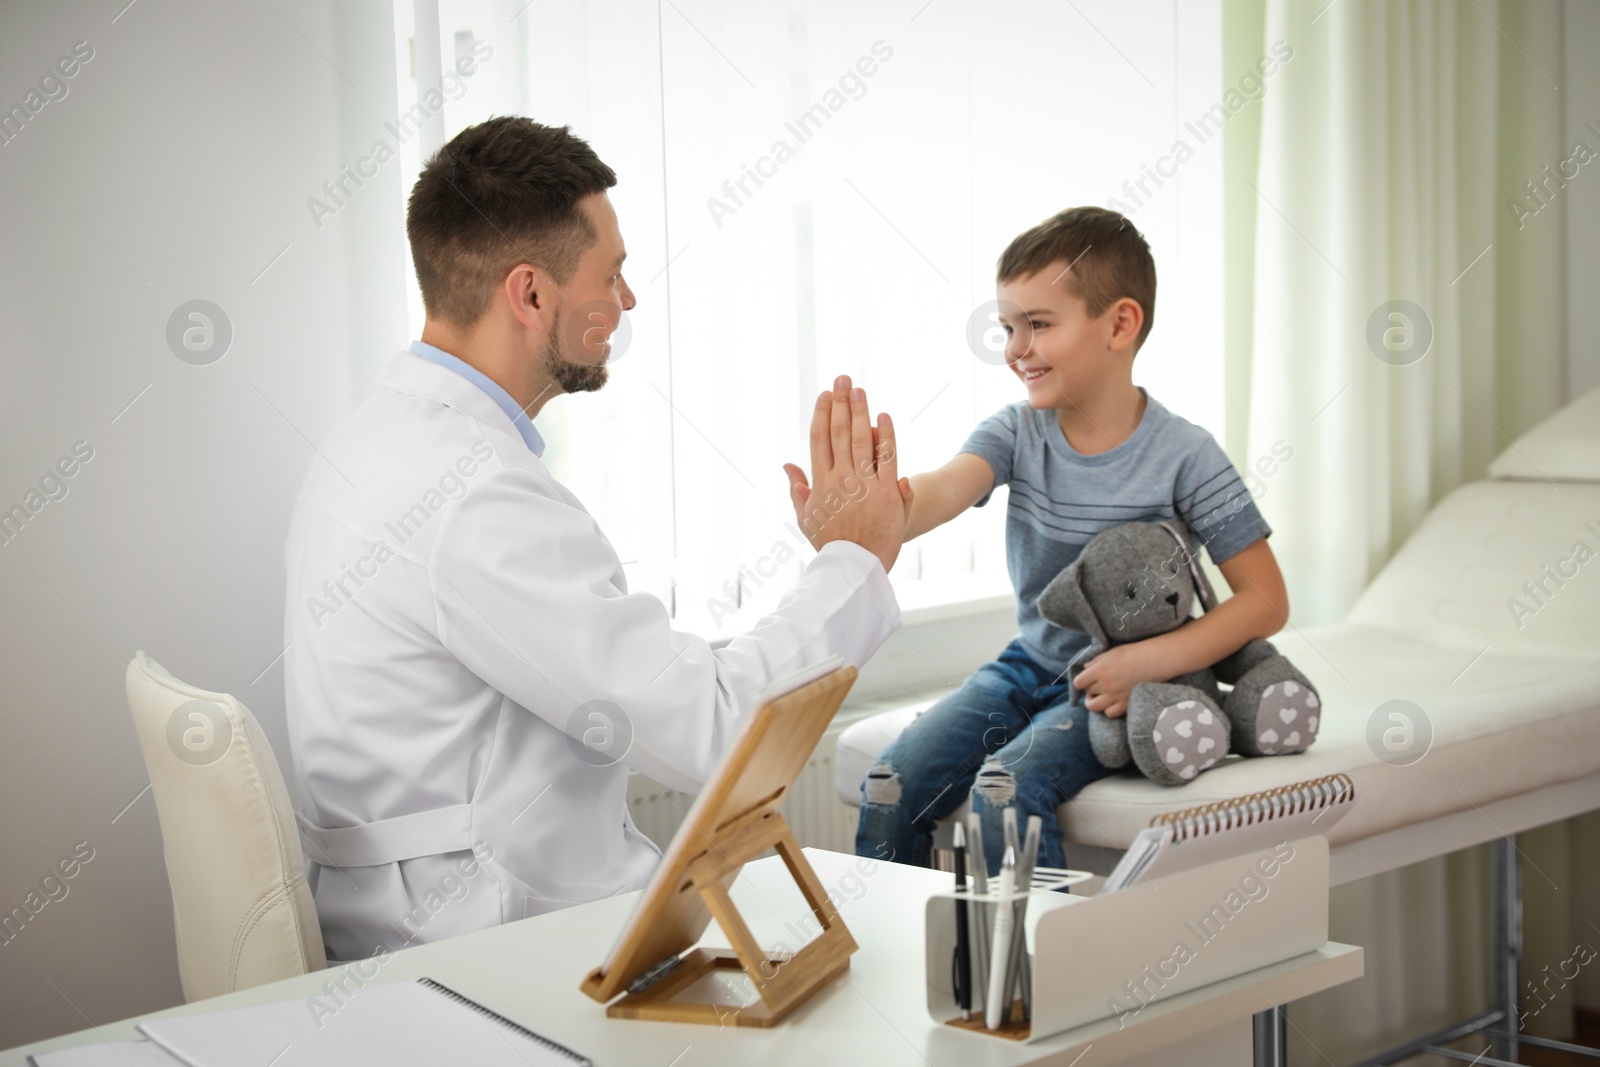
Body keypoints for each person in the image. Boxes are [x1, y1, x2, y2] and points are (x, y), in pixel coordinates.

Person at [284, 116, 912, 961]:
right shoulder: (473, 496)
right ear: (532, 293)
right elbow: (714, 732)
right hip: (486, 948)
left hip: (415, 923)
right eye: (611, 276)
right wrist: (853, 559)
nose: (627, 301)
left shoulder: (373, 440)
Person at [854, 207, 1290, 875]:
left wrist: (1147, 663)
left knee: (1002, 792)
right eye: (1008, 327)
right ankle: (901, 960)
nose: (1014, 348)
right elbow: (945, 487)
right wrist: (878, 509)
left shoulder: (1186, 456)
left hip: (1119, 690)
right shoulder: (1016, 432)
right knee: (889, 785)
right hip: (1026, 667)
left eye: (1038, 325)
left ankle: (1032, 978)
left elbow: (1265, 600)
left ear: (1119, 324)